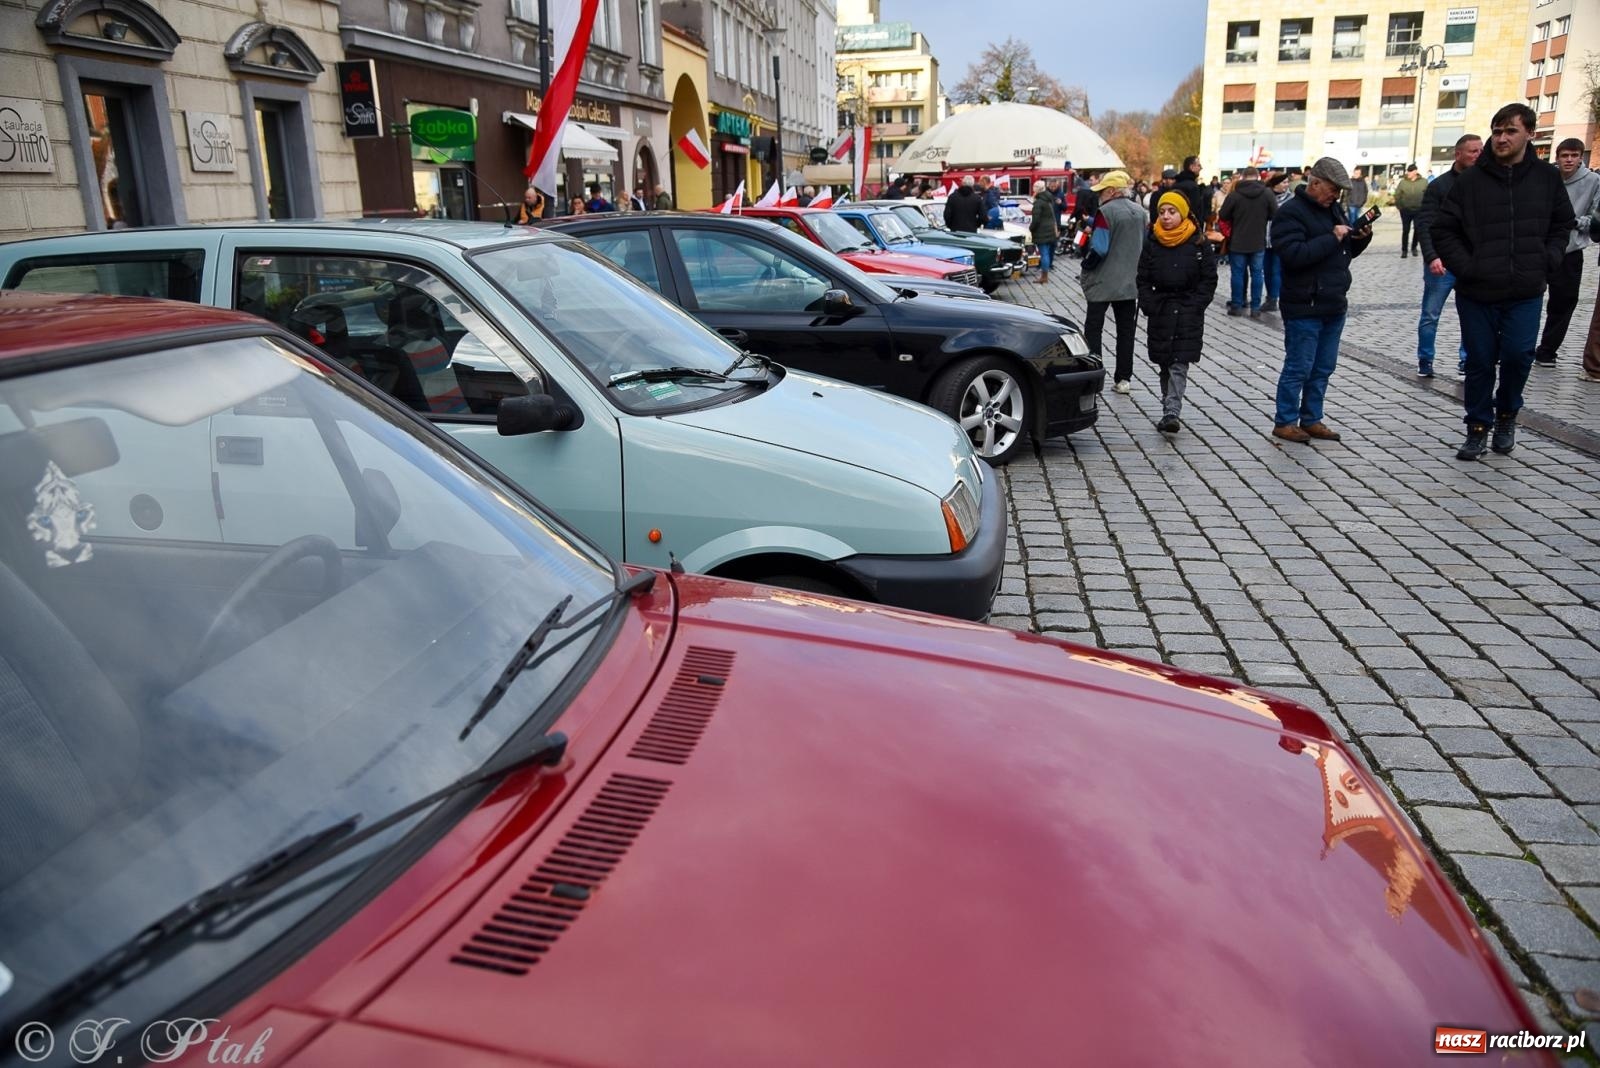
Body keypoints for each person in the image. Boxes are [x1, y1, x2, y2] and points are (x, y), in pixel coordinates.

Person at [1432, 103, 1573, 460]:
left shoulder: (1546, 177)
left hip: (1525, 289)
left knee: (1518, 356)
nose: (1502, 138)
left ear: (1528, 133)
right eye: (1497, 131)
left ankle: (1507, 414)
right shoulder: (1471, 181)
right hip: (1477, 291)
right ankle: (1477, 427)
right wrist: (1467, 266)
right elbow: (1443, 229)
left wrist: (1548, 260)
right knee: (1479, 360)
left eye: (1510, 131)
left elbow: (1561, 225)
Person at [1270, 156, 1372, 444]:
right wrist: (1332, 237)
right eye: (1332, 189)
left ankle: (1312, 417)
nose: (1336, 196)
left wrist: (1359, 237)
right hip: (1304, 304)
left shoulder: (1333, 210)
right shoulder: (1290, 213)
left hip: (1333, 302)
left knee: (1323, 367)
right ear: (1315, 183)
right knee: (1299, 366)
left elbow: (1343, 251)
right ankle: (1285, 420)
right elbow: (1294, 255)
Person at [1136, 191, 1218, 434]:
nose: (1166, 217)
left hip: (1186, 311)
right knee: (1164, 362)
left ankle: (1172, 411)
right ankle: (1168, 406)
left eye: (1172, 212)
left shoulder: (1197, 241)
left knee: (1179, 363)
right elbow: (1142, 277)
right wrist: (1148, 302)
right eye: (1162, 212)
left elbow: (1208, 278)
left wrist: (1197, 305)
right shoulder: (1152, 240)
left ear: (1182, 214)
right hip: (1161, 310)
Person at [1415, 135, 1482, 378]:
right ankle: (1425, 359)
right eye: (1473, 151)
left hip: (1471, 263)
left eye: (1480, 151)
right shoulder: (1439, 186)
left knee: (1472, 316)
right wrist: (1432, 256)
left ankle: (1466, 360)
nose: (1478, 155)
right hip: (1441, 263)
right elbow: (1425, 224)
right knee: (1431, 314)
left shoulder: (1483, 182)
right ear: (1458, 154)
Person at [1534, 138, 1600, 367]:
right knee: (1527, 297)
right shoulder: (1546, 177)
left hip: (1570, 250)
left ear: (1581, 157)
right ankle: (1517, 346)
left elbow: (1595, 216)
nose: (1569, 160)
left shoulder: (1593, 181)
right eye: (1565, 156)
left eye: (1574, 155)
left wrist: (1574, 222)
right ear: (1557, 157)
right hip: (1540, 247)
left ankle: (1547, 350)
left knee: (1563, 303)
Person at [1081, 170, 1147, 393]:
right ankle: (1124, 379)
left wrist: (1086, 266)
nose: (1099, 195)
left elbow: (1099, 247)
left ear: (1111, 191)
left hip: (1104, 281)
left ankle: (1094, 376)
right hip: (1130, 282)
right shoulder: (1140, 212)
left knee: (1093, 329)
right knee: (1126, 331)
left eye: (1101, 191)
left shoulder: (1105, 212)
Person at [1217, 165, 1277, 319]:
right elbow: (1274, 214)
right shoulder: (1267, 194)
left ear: (1243, 177)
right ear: (1258, 177)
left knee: (1237, 273)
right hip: (1258, 241)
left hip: (1238, 241)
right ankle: (1255, 308)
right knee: (1257, 274)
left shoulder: (1235, 195)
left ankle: (1237, 306)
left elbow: (1223, 215)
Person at [1261, 171, 1292, 312]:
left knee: (1276, 270)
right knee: (1266, 270)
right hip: (1263, 238)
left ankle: (1274, 298)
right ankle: (1269, 296)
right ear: (1275, 184)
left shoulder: (1290, 199)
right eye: (1283, 182)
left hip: (1281, 239)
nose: (1286, 185)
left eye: (1287, 182)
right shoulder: (1264, 196)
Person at [1392, 164, 1428, 257]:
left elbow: (1428, 194)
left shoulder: (1424, 182)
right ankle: (1404, 250)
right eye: (1408, 171)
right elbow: (1397, 195)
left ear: (1415, 172)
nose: (1408, 173)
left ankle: (1414, 247)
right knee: (1405, 230)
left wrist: (1425, 207)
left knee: (1417, 229)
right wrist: (1400, 206)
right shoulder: (1403, 182)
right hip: (1406, 210)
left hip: (1419, 210)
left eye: (1410, 171)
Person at [1030, 178, 1059, 283]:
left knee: (1044, 254)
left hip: (1042, 231)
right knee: (1047, 252)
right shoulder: (1048, 200)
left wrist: (1031, 228)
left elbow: (1036, 219)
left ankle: (1044, 276)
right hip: (1050, 229)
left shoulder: (1038, 202)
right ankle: (1045, 275)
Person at [1174, 157, 1209, 231]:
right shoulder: (1192, 187)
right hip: (1189, 229)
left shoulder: (1176, 184)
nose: (1201, 168)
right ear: (1192, 167)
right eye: (1199, 165)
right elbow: (1194, 211)